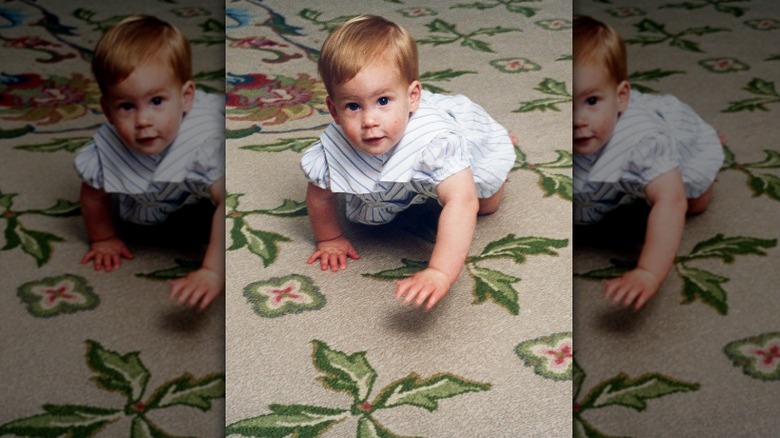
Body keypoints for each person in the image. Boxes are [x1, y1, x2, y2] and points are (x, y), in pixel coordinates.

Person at [301, 15, 515, 311]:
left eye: (383, 101)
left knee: (484, 202)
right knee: (370, 217)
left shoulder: (436, 141)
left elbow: (462, 202)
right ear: (334, 110)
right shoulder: (334, 148)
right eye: (353, 106)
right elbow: (320, 196)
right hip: (402, 164)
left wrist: (440, 271)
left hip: (437, 144)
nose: (370, 121)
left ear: (413, 97)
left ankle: (493, 140)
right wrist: (330, 238)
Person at [573, 15, 724, 310]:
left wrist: (648, 272)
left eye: (591, 101)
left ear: (620, 98)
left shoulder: (644, 142)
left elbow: (671, 201)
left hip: (660, 139)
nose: (577, 120)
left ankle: (706, 141)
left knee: (693, 200)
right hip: (606, 157)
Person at [75, 15, 225, 310]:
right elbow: (92, 195)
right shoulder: (106, 149)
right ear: (107, 110)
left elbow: (228, 205)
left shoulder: (205, 145)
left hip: (196, 134)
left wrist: (212, 271)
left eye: (156, 101)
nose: (143, 121)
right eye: (127, 106)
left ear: (185, 97)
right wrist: (103, 238)